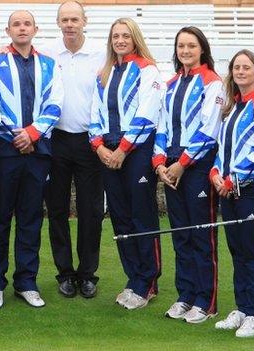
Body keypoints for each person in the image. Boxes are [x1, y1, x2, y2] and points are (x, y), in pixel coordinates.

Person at [0, 10, 64, 309]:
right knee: (0, 217)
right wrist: (18, 136)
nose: (22, 28)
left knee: (30, 218)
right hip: (5, 151)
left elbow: (56, 103)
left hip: (37, 151)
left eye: (26, 23)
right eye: (16, 24)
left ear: (35, 29)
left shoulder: (49, 63)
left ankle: (26, 282)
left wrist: (33, 133)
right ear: (8, 30)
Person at [89, 17, 162, 310]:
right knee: (120, 217)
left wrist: (123, 149)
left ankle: (148, 281)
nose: (120, 40)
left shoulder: (147, 69)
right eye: (115, 36)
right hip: (109, 152)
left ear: (135, 39)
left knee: (141, 216)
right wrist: (98, 147)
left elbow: (147, 114)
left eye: (125, 36)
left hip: (137, 153)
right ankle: (133, 278)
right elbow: (93, 113)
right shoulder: (105, 73)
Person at [152, 26, 223, 323]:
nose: (185, 51)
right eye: (181, 46)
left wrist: (182, 163)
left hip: (197, 168)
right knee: (180, 235)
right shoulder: (170, 84)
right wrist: (159, 163)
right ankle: (185, 294)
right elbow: (162, 126)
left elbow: (209, 131)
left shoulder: (213, 83)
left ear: (202, 49)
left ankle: (206, 301)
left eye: (191, 46)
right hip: (171, 167)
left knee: (201, 236)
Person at [210, 49, 254, 338]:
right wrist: (216, 174)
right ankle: (243, 306)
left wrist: (232, 179)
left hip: (251, 190)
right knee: (237, 250)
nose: (240, 71)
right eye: (236, 67)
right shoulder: (233, 107)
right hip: (228, 190)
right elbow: (222, 150)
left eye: (246, 67)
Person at [42, 1, 105, 299]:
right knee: (56, 209)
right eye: (64, 19)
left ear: (84, 21)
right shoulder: (47, 54)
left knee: (91, 210)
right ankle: (65, 273)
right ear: (58, 22)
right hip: (55, 139)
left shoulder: (99, 54)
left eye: (74, 19)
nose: (69, 24)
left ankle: (87, 273)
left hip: (89, 142)